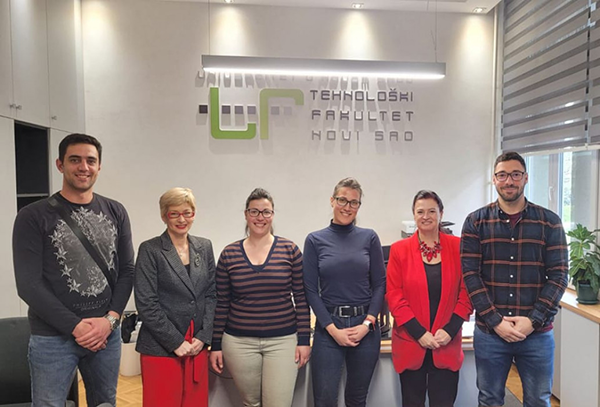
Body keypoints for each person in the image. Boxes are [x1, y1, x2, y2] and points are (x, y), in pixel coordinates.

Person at [12, 133, 135, 407]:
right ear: (60, 164)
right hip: (52, 338)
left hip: (106, 334)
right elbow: (28, 284)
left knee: (105, 403)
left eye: (91, 160)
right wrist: (76, 326)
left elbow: (127, 270)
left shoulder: (116, 211)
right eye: (75, 160)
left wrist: (110, 321)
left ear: (99, 166)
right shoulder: (33, 216)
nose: (84, 167)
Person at [461, 151, 568, 407]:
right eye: (502, 175)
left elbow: (559, 275)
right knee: (489, 400)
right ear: (494, 179)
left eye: (515, 174)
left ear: (526, 178)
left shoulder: (549, 223)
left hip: (537, 334)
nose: (509, 181)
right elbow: (471, 275)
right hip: (490, 334)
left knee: (538, 401)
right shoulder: (476, 223)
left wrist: (532, 321)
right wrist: (496, 321)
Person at [209, 188, 311, 407]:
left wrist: (304, 340)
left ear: (273, 215)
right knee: (251, 403)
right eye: (254, 212)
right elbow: (222, 303)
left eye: (266, 212)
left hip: (283, 341)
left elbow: (301, 299)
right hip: (238, 342)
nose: (260, 218)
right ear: (246, 215)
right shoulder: (229, 254)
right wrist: (216, 344)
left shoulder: (289, 250)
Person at [303, 177, 386, 407]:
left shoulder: (369, 237)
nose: (347, 207)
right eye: (342, 200)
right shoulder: (315, 240)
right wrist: (332, 329)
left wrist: (367, 324)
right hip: (328, 327)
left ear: (359, 206)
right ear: (332, 200)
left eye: (354, 203)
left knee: (357, 399)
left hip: (365, 327)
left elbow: (380, 284)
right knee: (325, 399)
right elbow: (310, 289)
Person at [386, 190, 473, 407]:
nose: (426, 216)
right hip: (411, 342)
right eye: (420, 211)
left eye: (432, 211)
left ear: (441, 213)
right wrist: (420, 334)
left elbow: (467, 292)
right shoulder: (399, 250)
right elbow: (395, 296)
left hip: (447, 342)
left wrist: (450, 330)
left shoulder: (458, 247)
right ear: (413, 215)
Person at [134, 187, 216, 407]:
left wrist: (204, 336)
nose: (182, 219)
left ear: (194, 214)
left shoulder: (204, 247)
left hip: (196, 347)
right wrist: (176, 342)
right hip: (161, 349)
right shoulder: (150, 250)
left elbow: (211, 295)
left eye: (187, 213)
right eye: (174, 214)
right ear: (164, 216)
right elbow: (146, 303)